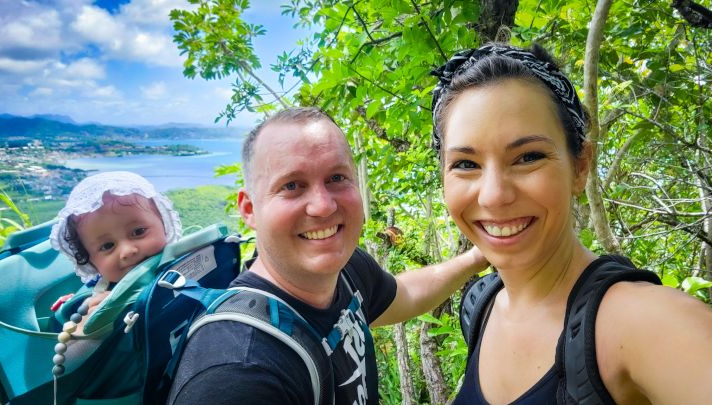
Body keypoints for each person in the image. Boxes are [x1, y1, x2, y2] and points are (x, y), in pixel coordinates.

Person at [430, 43, 712, 404]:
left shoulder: (637, 322)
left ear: (580, 167)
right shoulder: (481, 306)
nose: (494, 196)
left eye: (528, 157)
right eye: (466, 164)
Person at [167, 107, 489, 404]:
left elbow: (404, 294)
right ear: (249, 209)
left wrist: (477, 257)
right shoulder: (237, 375)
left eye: (336, 178)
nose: (322, 206)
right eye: (292, 185)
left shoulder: (347, 270)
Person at [50, 171, 182, 331]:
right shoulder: (97, 301)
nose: (127, 251)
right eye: (107, 246)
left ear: (164, 224)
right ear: (91, 262)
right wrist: (97, 325)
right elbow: (72, 347)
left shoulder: (190, 259)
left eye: (139, 231)